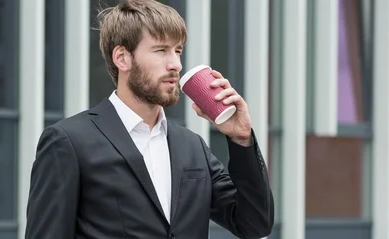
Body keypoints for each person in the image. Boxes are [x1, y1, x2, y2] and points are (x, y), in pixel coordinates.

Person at [24, 0, 274, 238]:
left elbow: (254, 225)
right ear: (122, 57)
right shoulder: (69, 141)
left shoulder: (192, 146)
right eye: (161, 50)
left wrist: (241, 138)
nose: (175, 64)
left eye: (178, 51)